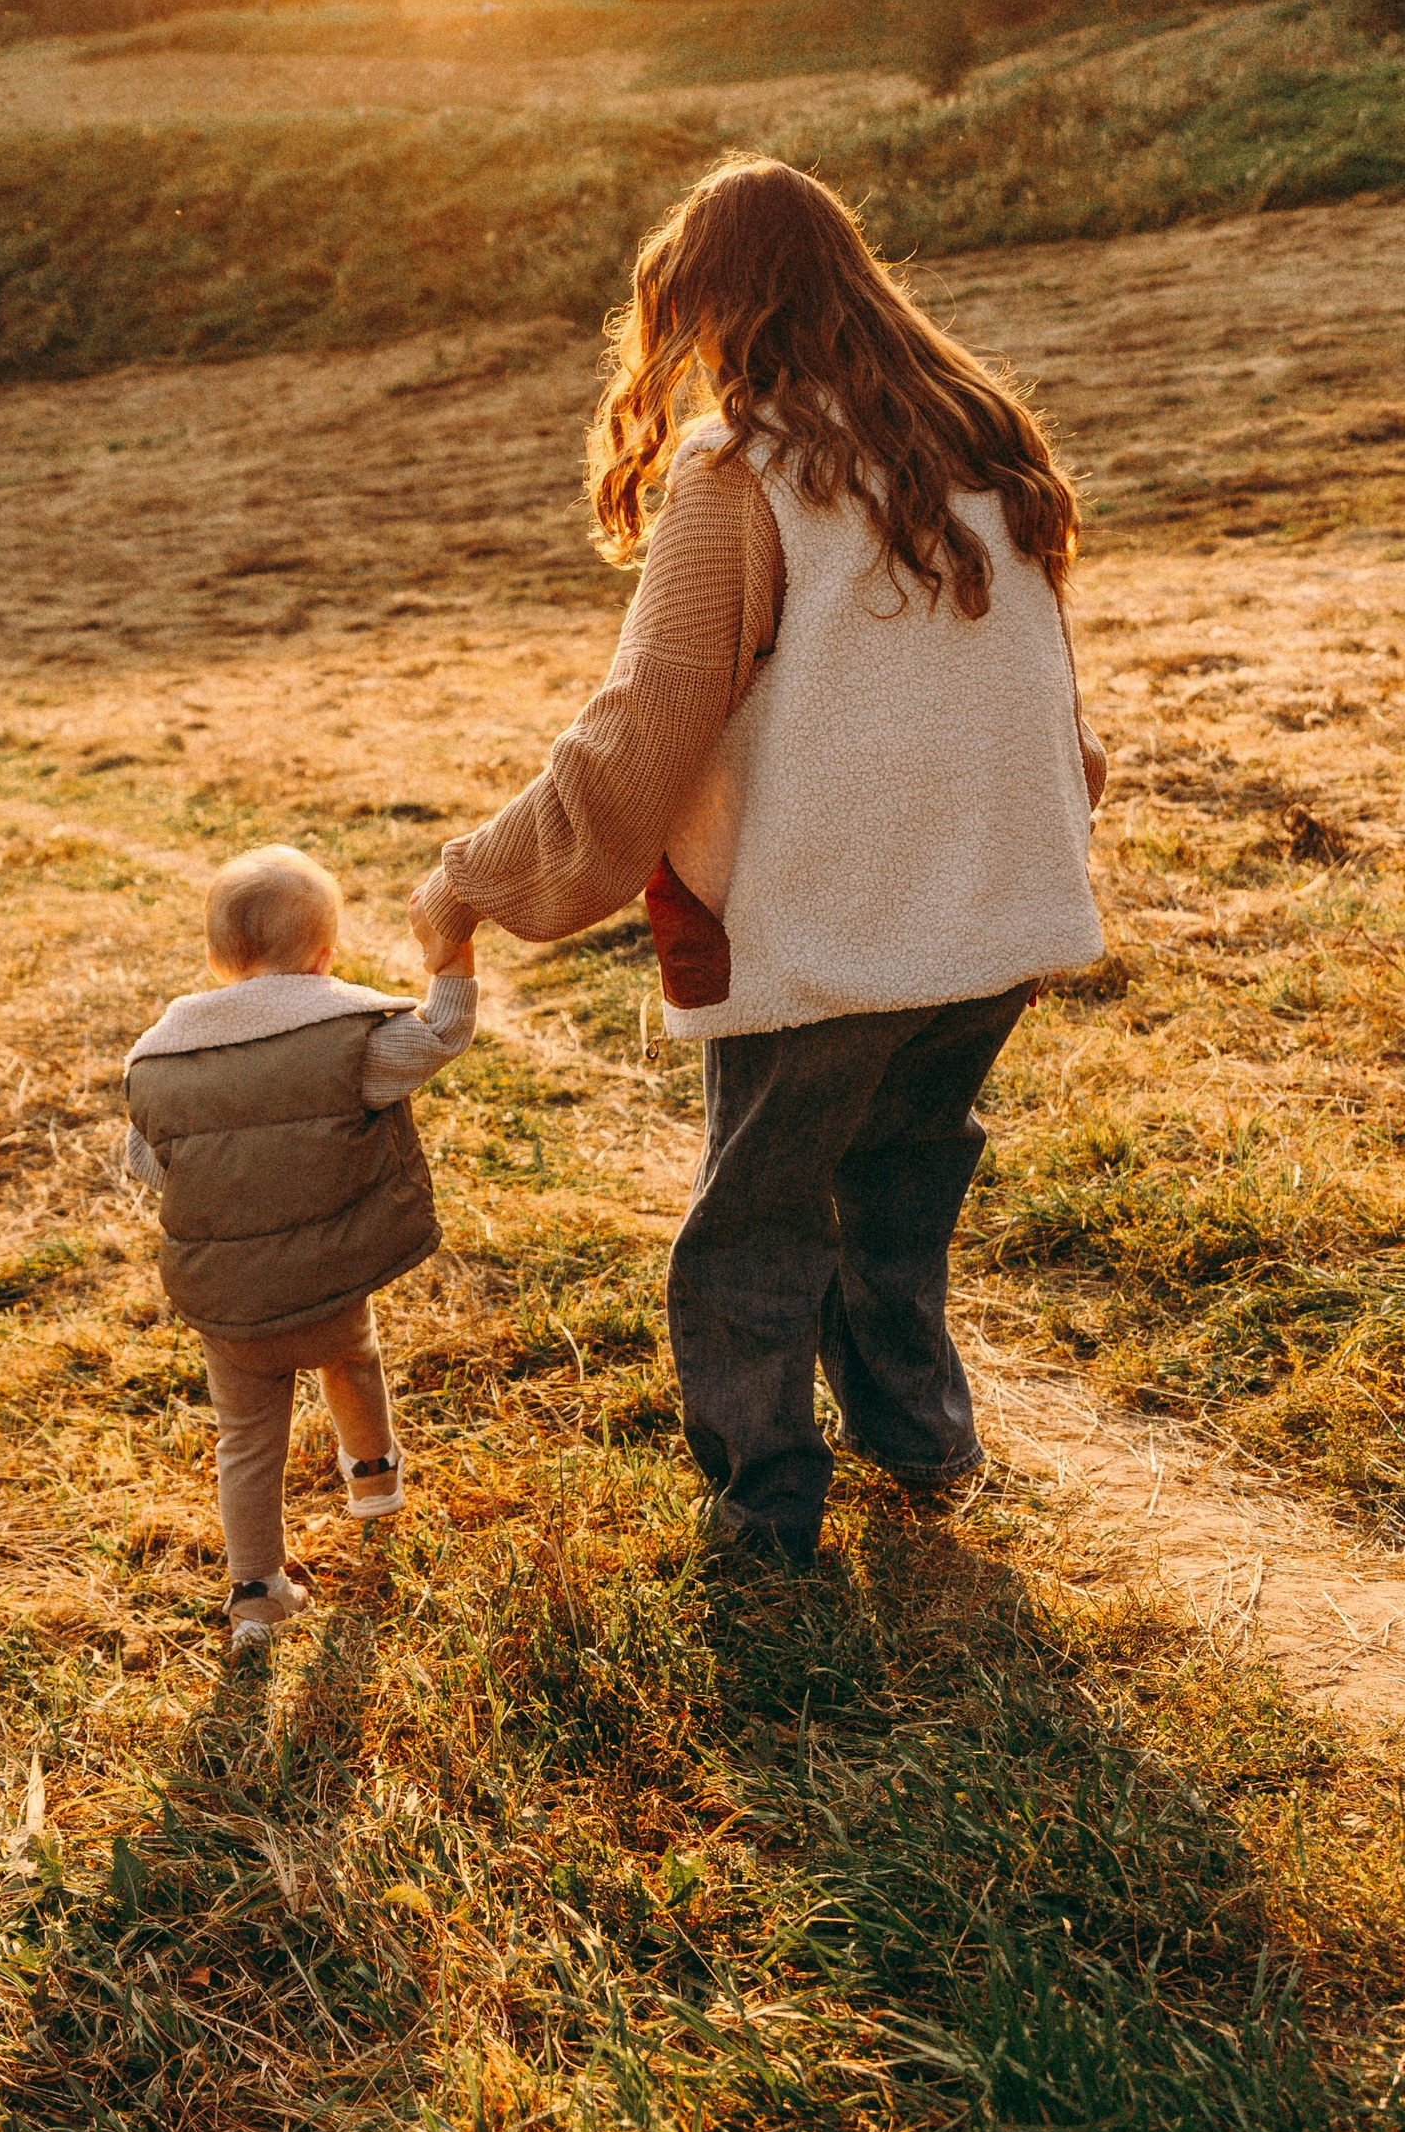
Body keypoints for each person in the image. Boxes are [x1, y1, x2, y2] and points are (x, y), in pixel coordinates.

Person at [409, 157, 1107, 1568]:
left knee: (758, 1235)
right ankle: (927, 1457)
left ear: (717, 308)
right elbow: (1053, 700)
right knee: (900, 1199)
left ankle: (767, 1521)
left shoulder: (747, 469)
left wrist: (476, 875)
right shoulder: (985, 441)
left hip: (829, 927)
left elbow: (646, 723)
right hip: (992, 914)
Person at [124, 843, 477, 1651]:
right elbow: (443, 1035)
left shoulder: (162, 1064)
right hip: (326, 1280)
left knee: (247, 1438)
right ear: (326, 958)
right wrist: (452, 959)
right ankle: (376, 1485)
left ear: (216, 960)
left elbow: (147, 1164)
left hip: (228, 1303)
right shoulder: (347, 1045)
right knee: (351, 1359)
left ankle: (256, 1595)